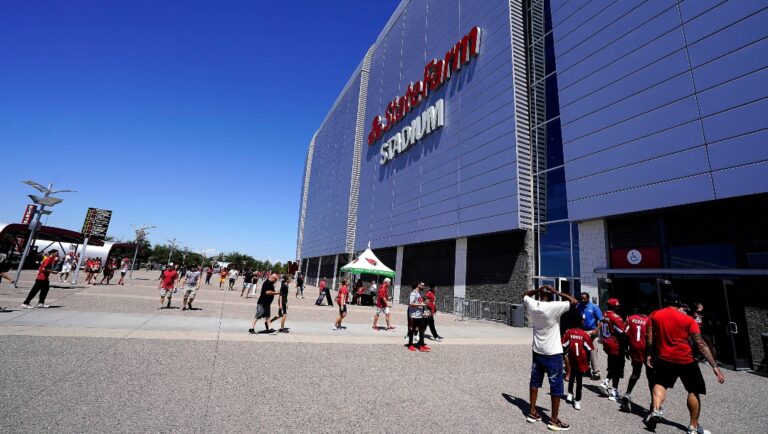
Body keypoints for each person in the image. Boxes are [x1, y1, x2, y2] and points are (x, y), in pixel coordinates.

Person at [644, 293, 725, 434]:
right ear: (679, 305)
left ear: (665, 302)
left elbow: (650, 337)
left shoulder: (655, 315)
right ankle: (693, 427)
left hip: (664, 358)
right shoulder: (688, 319)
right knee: (693, 390)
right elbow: (700, 344)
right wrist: (715, 366)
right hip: (686, 359)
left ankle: (656, 410)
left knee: (660, 384)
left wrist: (649, 354)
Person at [522, 284, 577, 432]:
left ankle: (532, 412)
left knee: (534, 381)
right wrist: (556, 291)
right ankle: (553, 420)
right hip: (553, 353)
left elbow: (525, 294)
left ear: (540, 296)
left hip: (538, 350)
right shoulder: (554, 306)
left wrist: (536, 290)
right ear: (551, 296)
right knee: (556, 385)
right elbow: (573, 301)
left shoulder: (533, 304)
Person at [621, 305, 654, 413]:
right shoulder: (649, 320)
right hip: (646, 349)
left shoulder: (631, 318)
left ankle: (627, 393)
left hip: (634, 348)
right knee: (651, 377)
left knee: (635, 373)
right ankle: (654, 403)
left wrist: (626, 349)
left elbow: (625, 334)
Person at [598, 298, 627, 402]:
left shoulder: (604, 314)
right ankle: (614, 392)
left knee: (612, 365)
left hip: (607, 343)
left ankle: (605, 382)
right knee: (617, 369)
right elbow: (623, 332)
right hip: (615, 344)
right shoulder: (616, 317)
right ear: (615, 306)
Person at [562, 316, 593, 411]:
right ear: (581, 323)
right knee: (579, 381)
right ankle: (577, 400)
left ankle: (570, 394)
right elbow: (589, 349)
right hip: (581, 360)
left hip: (572, 359)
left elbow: (563, 345)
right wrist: (588, 362)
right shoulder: (584, 335)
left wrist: (563, 355)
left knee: (571, 377)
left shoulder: (569, 333)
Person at [576, 292, 602, 379]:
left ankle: (596, 372)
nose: (583, 300)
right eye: (581, 298)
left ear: (588, 298)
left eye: (584, 298)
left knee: (593, 352)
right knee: (583, 352)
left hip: (592, 332)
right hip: (582, 332)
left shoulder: (594, 307)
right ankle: (586, 369)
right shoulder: (579, 306)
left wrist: (596, 330)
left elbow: (601, 320)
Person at [406, 282, 430, 352]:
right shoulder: (413, 293)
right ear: (418, 285)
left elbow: (420, 302)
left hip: (420, 315)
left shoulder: (419, 293)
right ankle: (410, 344)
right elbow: (411, 303)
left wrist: (425, 306)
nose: (423, 286)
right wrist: (421, 305)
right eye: (421, 285)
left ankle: (421, 344)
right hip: (413, 315)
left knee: (422, 330)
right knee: (412, 330)